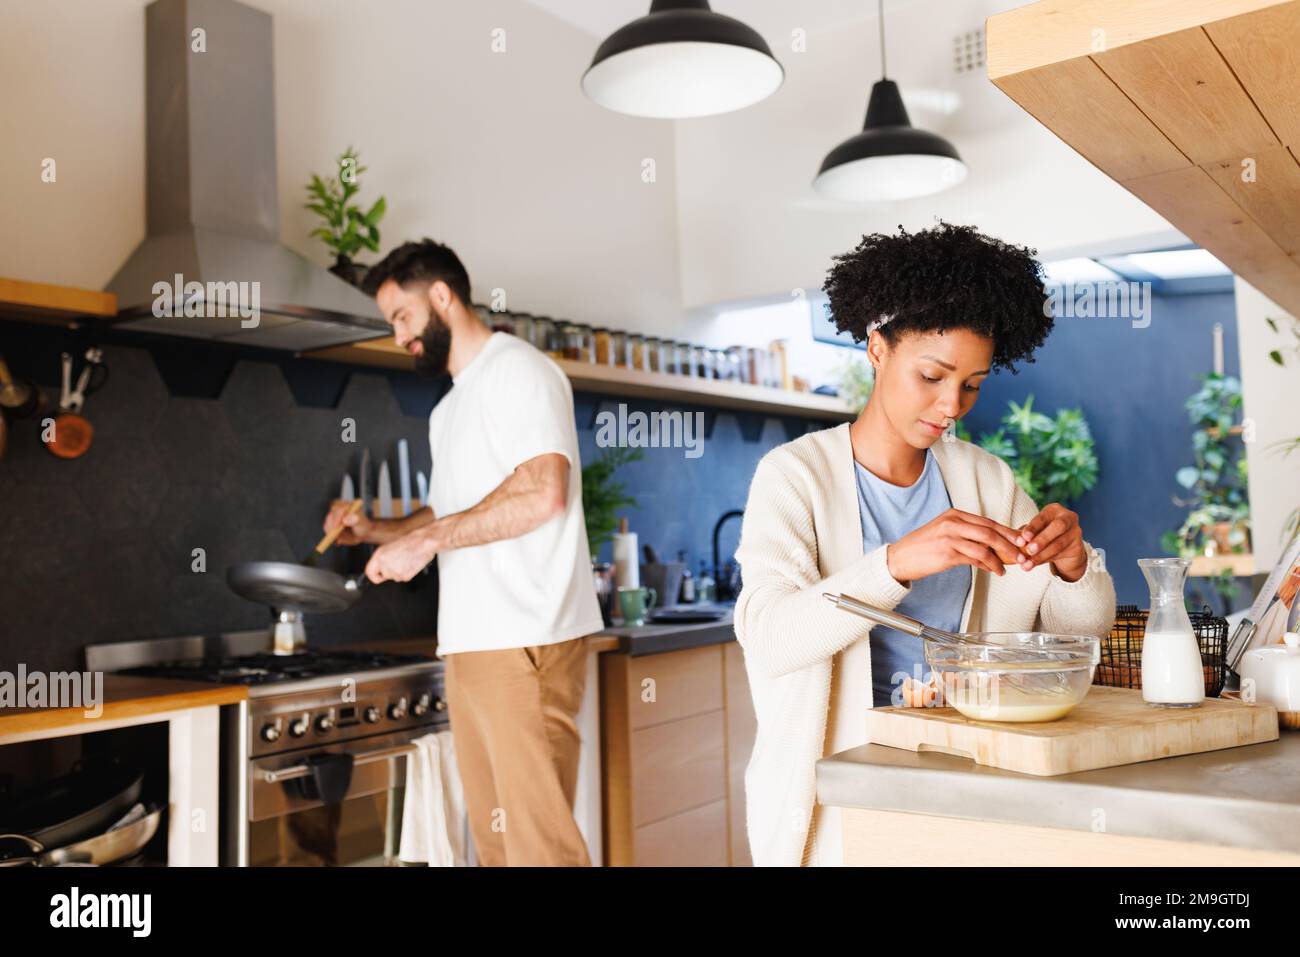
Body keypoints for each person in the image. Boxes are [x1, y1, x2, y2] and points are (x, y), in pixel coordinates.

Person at [733, 223, 1117, 867]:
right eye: (933, 375)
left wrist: (1074, 569)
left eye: (971, 383)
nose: (951, 405)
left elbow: (1079, 629)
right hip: (843, 790)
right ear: (877, 349)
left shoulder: (984, 478)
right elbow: (772, 639)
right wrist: (897, 562)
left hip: (966, 774)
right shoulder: (794, 476)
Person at [323, 239, 603, 866]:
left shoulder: (521, 371)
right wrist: (375, 530)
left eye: (401, 317)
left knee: (540, 847)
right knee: (498, 844)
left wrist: (425, 542)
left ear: (442, 297)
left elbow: (542, 493)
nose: (398, 336)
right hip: (474, 642)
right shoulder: (449, 408)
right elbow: (454, 513)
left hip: (528, 633)